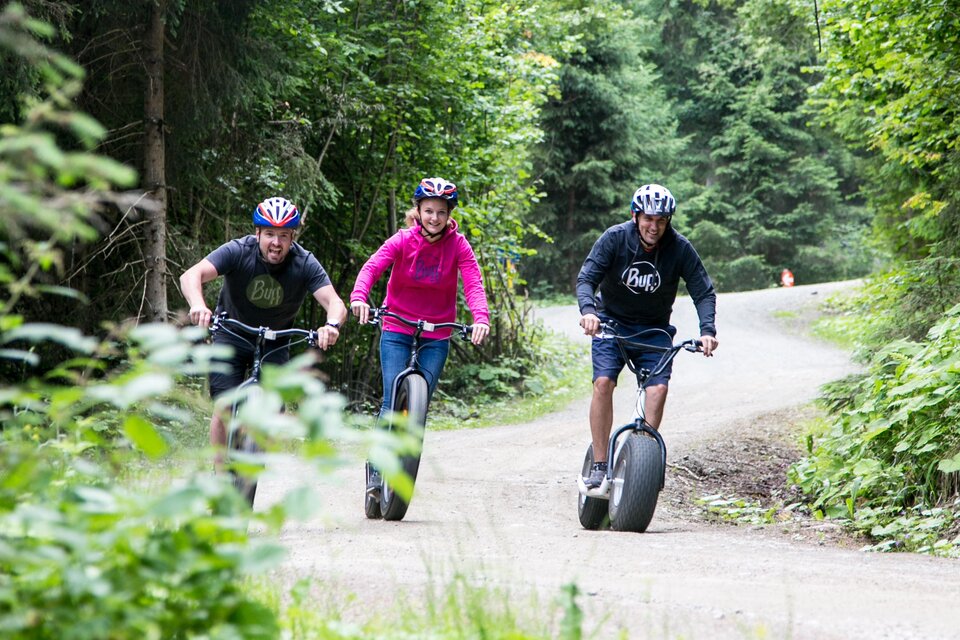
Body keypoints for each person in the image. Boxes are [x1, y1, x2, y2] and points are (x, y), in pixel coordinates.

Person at [180, 196, 347, 466]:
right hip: (231, 334)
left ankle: (250, 462)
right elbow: (191, 275)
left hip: (275, 342)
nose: (276, 243)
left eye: (284, 235)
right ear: (257, 233)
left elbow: (335, 303)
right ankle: (221, 479)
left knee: (273, 410)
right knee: (224, 407)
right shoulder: (238, 251)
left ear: (293, 237)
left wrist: (331, 325)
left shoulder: (304, 263)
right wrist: (198, 305)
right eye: (269, 234)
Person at [350, 177, 490, 490]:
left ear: (449, 213)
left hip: (437, 332)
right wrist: (359, 297)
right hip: (397, 324)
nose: (435, 218)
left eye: (441, 212)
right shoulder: (402, 240)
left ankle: (404, 463)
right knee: (391, 399)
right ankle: (375, 466)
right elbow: (372, 267)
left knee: (420, 401)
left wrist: (481, 318)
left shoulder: (459, 246)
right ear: (418, 210)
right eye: (429, 211)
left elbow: (473, 284)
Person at [577, 183, 718, 489]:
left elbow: (703, 291)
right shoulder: (615, 238)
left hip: (654, 329)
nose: (654, 227)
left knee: (658, 390)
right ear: (635, 215)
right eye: (648, 219)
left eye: (661, 221)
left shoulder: (680, 248)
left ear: (668, 221)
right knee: (603, 383)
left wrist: (707, 331)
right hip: (610, 324)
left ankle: (640, 458)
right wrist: (589, 311)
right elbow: (587, 278)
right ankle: (600, 463)